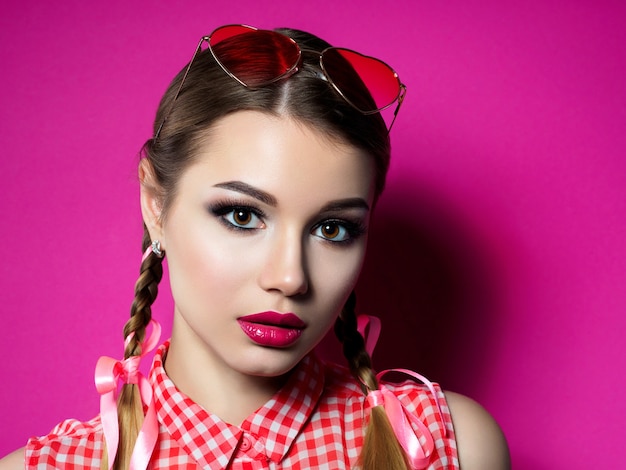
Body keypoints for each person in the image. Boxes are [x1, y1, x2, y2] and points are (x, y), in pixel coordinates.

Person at [0, 24, 510, 469]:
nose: (290, 277)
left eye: (332, 229)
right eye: (242, 216)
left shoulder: (449, 447)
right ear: (156, 204)